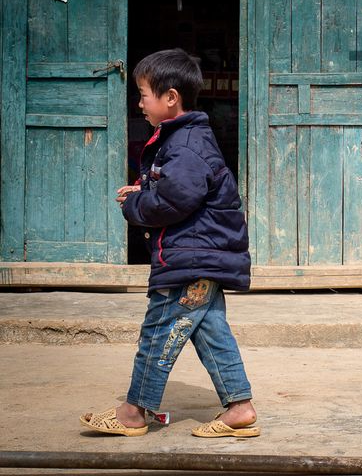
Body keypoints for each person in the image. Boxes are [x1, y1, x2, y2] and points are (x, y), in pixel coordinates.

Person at [80, 49, 260, 437]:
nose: (139, 103)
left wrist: (134, 205)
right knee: (211, 332)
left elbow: (174, 201)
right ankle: (240, 407)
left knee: (158, 331)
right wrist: (146, 189)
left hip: (189, 260)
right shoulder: (183, 140)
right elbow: (179, 188)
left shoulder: (186, 144)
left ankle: (133, 412)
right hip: (198, 257)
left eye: (144, 94)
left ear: (171, 98)